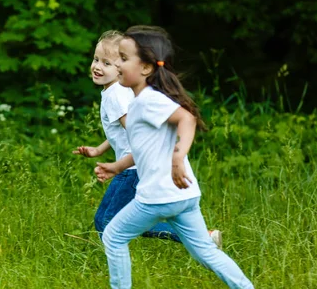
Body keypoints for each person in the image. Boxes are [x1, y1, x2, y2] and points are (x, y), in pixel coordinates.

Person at [94, 26, 254, 289]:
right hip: (185, 196)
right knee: (206, 252)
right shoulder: (137, 102)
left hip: (158, 196)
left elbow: (187, 118)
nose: (118, 65)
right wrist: (115, 166)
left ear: (146, 68)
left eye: (123, 59)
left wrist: (178, 156)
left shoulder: (148, 100)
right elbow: (143, 149)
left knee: (112, 235)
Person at [73, 30, 222, 247]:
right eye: (96, 60)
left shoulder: (115, 95)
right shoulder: (117, 91)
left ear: (121, 68)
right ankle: (202, 237)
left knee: (108, 220)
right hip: (133, 167)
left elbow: (136, 131)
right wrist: (99, 149)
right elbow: (124, 131)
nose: (97, 66)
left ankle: (201, 238)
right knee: (109, 218)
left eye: (107, 63)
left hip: (131, 170)